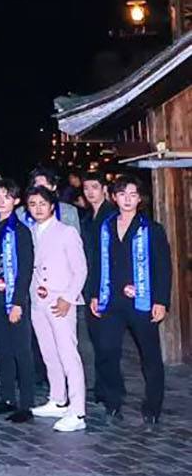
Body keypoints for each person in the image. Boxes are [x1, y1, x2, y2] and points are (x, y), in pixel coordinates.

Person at [89, 176, 171, 424]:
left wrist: (161, 301)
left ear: (139, 199)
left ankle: (153, 405)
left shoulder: (152, 229)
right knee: (106, 350)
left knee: (150, 354)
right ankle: (113, 399)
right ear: (114, 197)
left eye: (132, 194)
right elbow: (96, 262)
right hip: (111, 299)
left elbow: (163, 267)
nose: (127, 199)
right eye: (122, 194)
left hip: (141, 300)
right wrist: (94, 294)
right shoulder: (105, 227)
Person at [24, 186, 88, 432]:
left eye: (42, 203)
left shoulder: (66, 232)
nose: (38, 208)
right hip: (38, 300)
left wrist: (68, 297)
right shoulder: (29, 232)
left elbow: (80, 269)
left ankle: (77, 411)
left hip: (60, 301)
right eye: (33, 204)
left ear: (52, 206)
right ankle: (58, 399)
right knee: (48, 352)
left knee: (68, 354)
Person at [0, 178, 36, 423]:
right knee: (3, 349)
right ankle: (7, 397)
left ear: (16, 201)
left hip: (14, 298)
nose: (2, 201)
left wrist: (17, 302)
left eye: (7, 197)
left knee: (21, 350)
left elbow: (24, 270)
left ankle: (26, 402)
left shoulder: (20, 231)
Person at [76, 170, 113, 401]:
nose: (90, 192)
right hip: (90, 284)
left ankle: (109, 388)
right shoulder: (87, 218)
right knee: (96, 338)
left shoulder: (112, 215)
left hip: (108, 284)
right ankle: (100, 385)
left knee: (107, 341)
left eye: (95, 188)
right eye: (86, 188)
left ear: (104, 190)